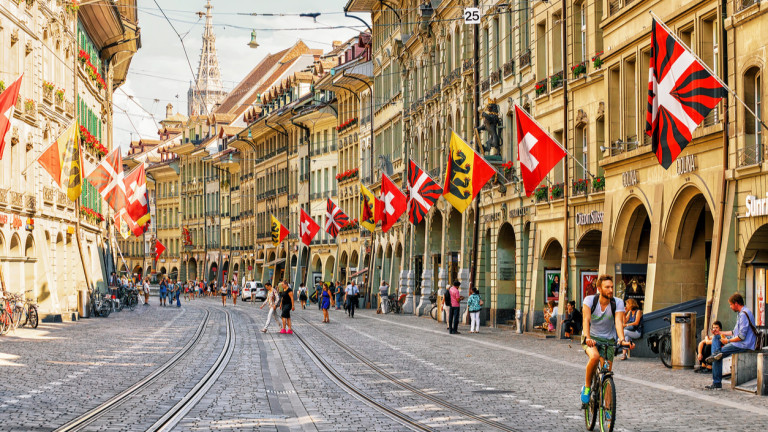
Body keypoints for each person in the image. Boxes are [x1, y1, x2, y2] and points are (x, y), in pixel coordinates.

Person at [581, 274, 633, 405]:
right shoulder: (589, 300)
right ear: (599, 288)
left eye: (612, 287)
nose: (611, 290)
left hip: (608, 340)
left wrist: (622, 339)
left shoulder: (618, 303)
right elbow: (586, 320)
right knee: (594, 357)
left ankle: (608, 411)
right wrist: (587, 338)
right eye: (607, 287)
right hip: (591, 337)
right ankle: (587, 387)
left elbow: (618, 323)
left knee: (607, 375)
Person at [704, 293, 759, 390]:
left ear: (736, 303)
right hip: (739, 342)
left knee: (717, 356)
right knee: (716, 338)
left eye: (731, 304)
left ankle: (716, 383)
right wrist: (719, 332)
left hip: (743, 344)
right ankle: (716, 354)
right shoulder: (742, 313)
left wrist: (727, 341)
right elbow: (734, 332)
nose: (730, 307)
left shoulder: (744, 315)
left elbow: (741, 337)